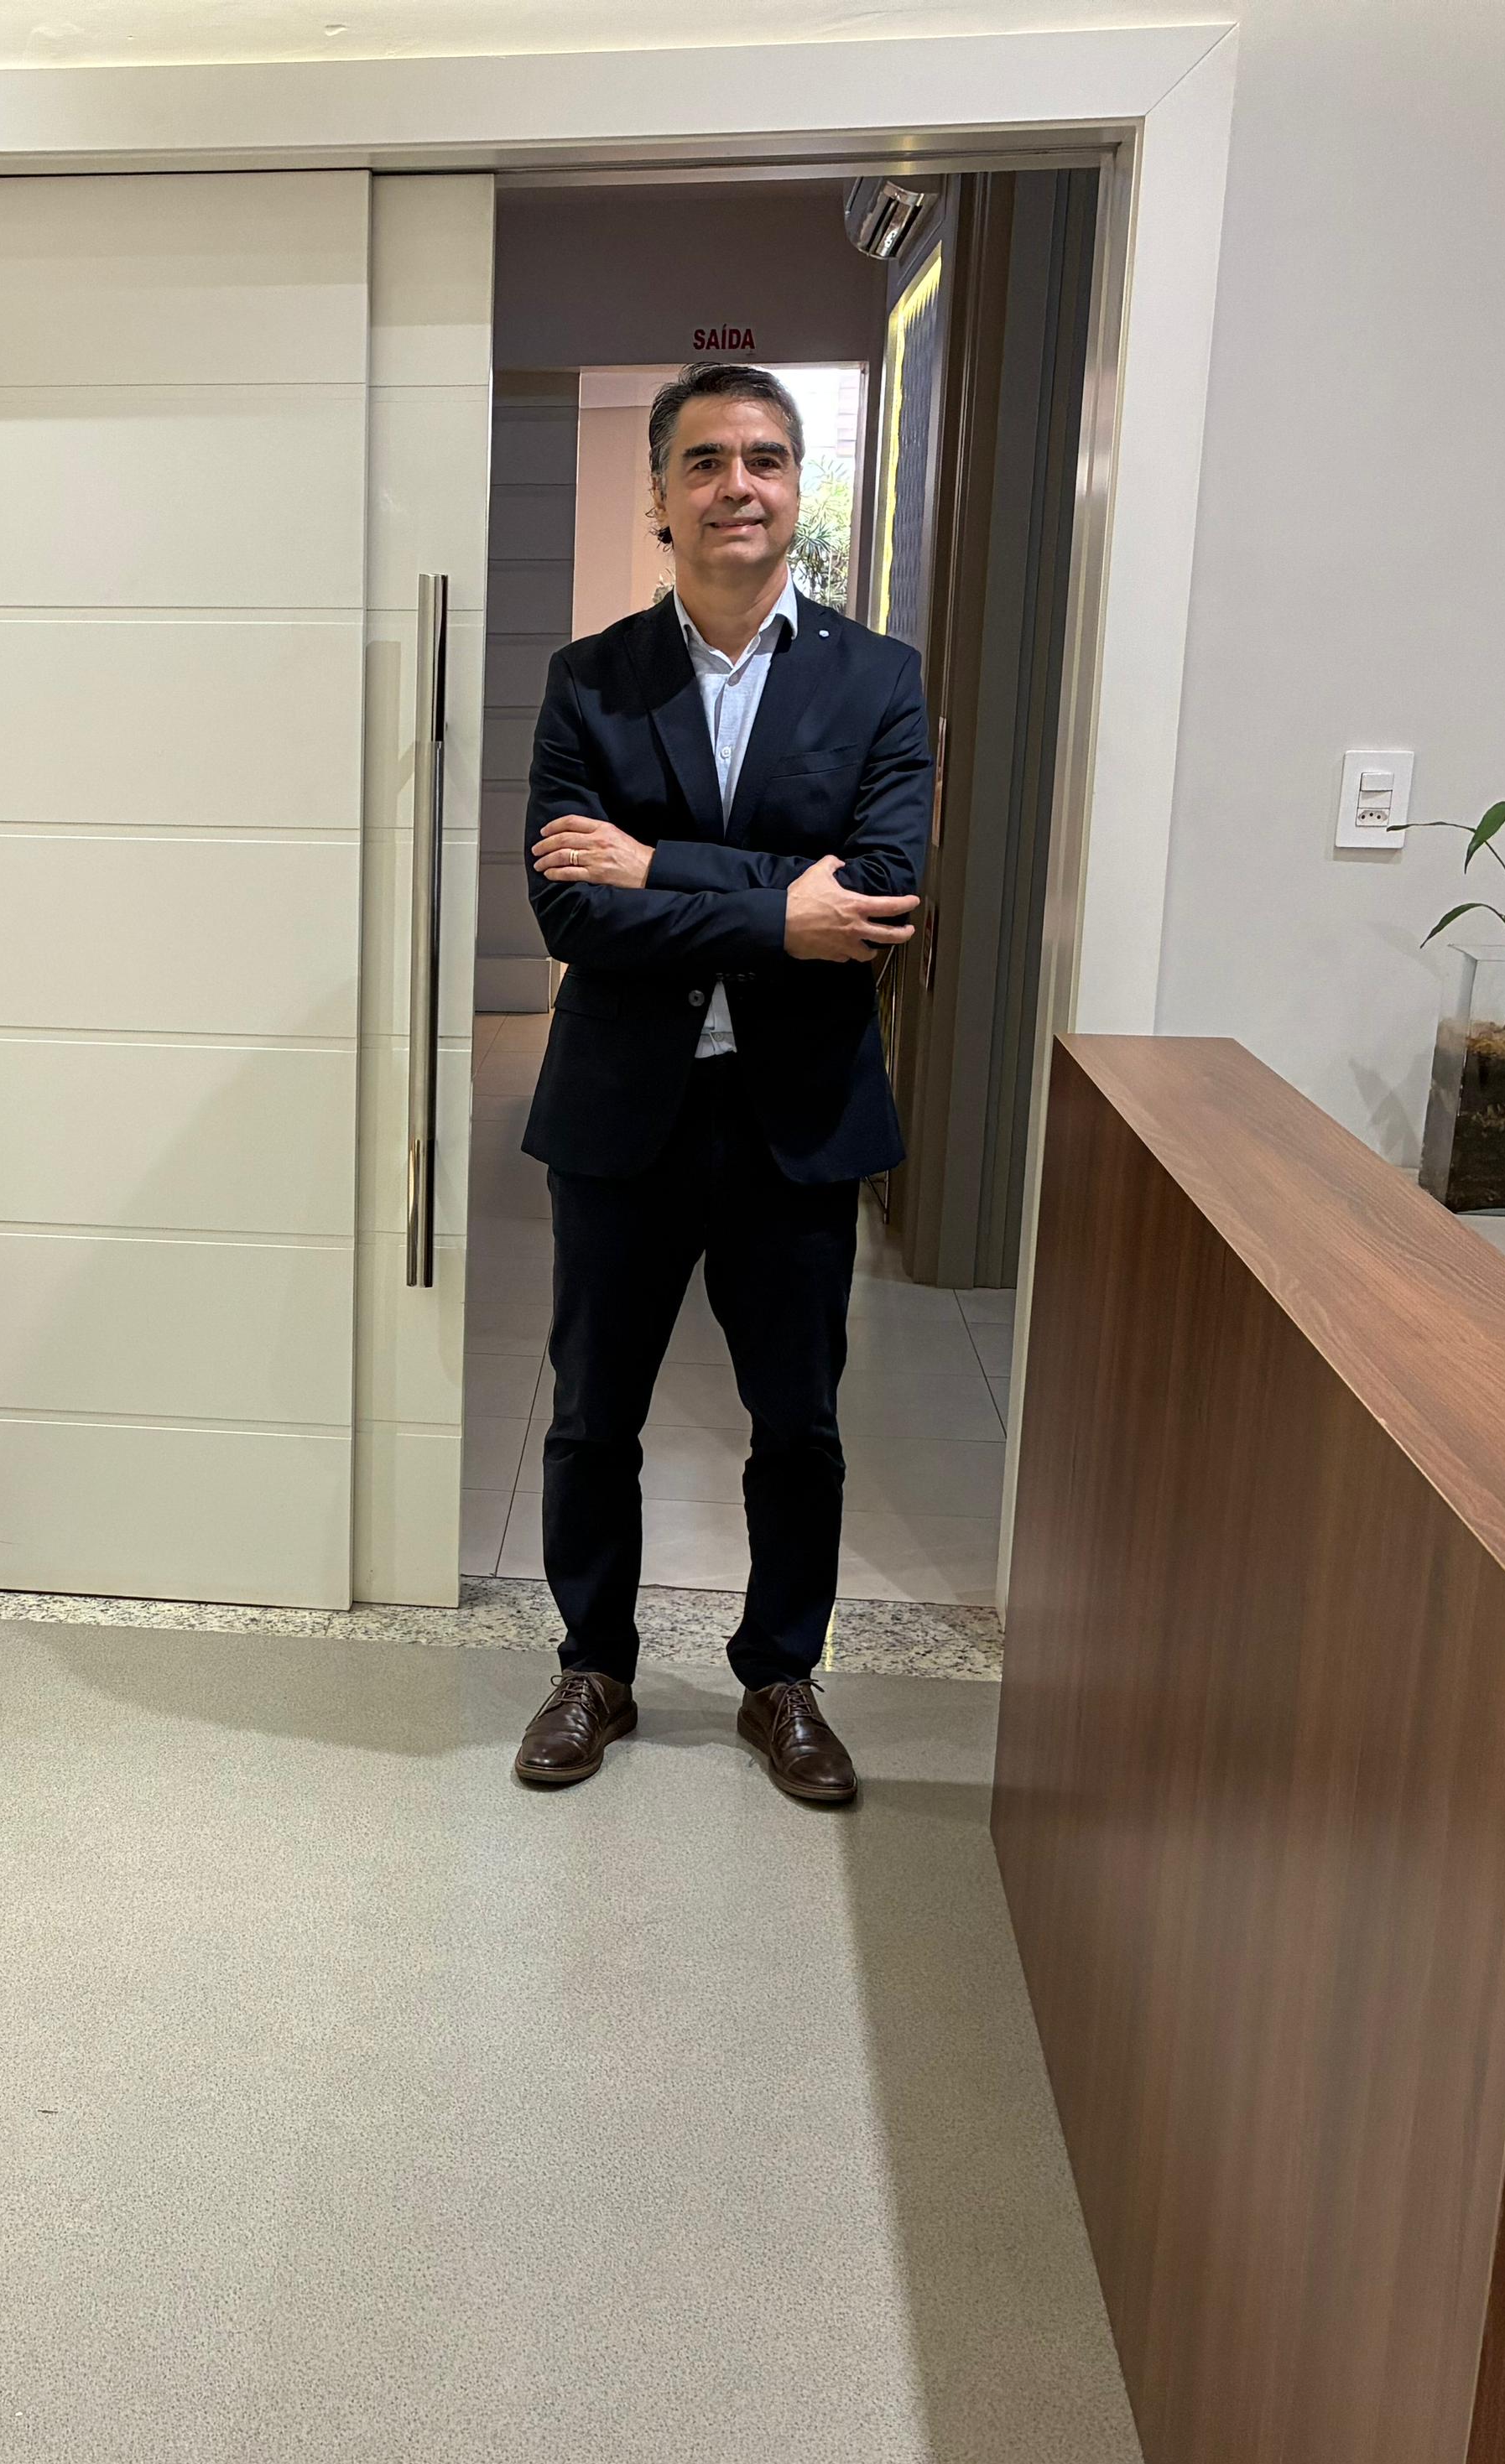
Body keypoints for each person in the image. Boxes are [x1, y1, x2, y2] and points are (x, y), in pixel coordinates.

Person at [509, 358, 931, 1808]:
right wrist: (774, 908)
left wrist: (660, 867)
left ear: (797, 489)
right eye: (703, 461)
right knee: (592, 1417)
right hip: (623, 1113)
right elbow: (570, 912)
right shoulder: (591, 679)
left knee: (798, 1425)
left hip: (797, 1118)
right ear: (660, 496)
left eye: (763, 459)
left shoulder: (878, 678)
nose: (735, 485)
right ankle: (594, 1666)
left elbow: (875, 897)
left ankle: (781, 1678)